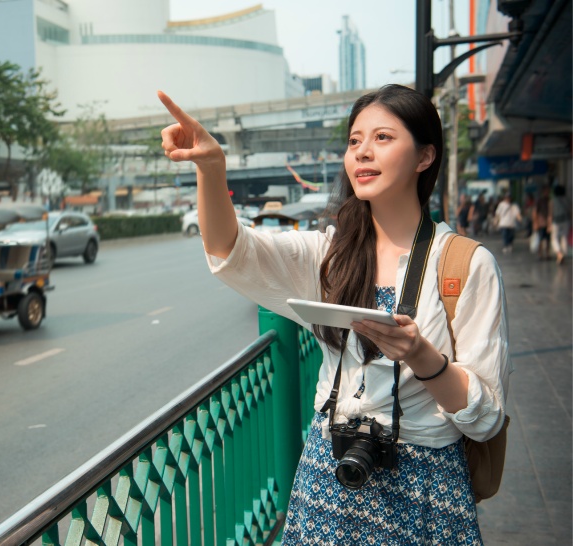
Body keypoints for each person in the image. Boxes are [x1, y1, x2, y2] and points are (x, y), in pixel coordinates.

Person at [158, 84, 511, 544]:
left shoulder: (466, 265)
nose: (363, 151)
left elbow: (486, 417)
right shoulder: (330, 254)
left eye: (382, 138)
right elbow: (230, 250)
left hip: (425, 488)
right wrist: (211, 167)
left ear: (425, 157)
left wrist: (423, 357)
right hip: (330, 475)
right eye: (354, 141)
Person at [549, 184, 571, 265]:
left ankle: (559, 253)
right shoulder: (567, 200)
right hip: (566, 220)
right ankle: (563, 254)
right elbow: (570, 210)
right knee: (564, 237)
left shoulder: (552, 200)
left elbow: (550, 213)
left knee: (554, 238)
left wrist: (549, 224)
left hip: (556, 221)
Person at [532, 186, 551, 260]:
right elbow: (535, 212)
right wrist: (535, 223)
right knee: (540, 239)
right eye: (546, 191)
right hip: (541, 223)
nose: (547, 192)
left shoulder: (549, 200)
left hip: (548, 223)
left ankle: (547, 253)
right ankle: (540, 254)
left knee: (548, 239)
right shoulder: (540, 201)